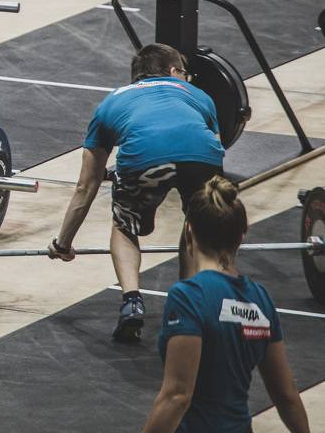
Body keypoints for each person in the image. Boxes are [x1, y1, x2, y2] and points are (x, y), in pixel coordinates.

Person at [46, 44, 225, 343]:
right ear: (173, 71)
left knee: (124, 224)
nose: (188, 79)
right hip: (202, 156)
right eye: (185, 73)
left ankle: (132, 300)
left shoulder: (110, 104)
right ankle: (187, 306)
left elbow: (86, 186)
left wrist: (63, 243)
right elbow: (215, 152)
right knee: (196, 222)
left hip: (144, 157)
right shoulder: (200, 97)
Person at [141, 177, 310, 433]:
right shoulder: (260, 299)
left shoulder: (188, 297)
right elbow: (286, 395)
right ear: (242, 236)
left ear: (189, 231)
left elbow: (177, 396)